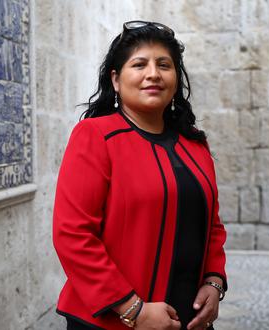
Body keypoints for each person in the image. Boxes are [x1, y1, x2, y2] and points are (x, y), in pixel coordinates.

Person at [53, 20, 228, 330]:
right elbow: (73, 234)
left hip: (189, 319)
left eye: (164, 65)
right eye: (139, 64)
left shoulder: (195, 144)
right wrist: (133, 309)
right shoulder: (95, 136)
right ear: (116, 80)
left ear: (176, 78)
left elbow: (212, 226)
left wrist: (214, 282)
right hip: (114, 320)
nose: (153, 74)